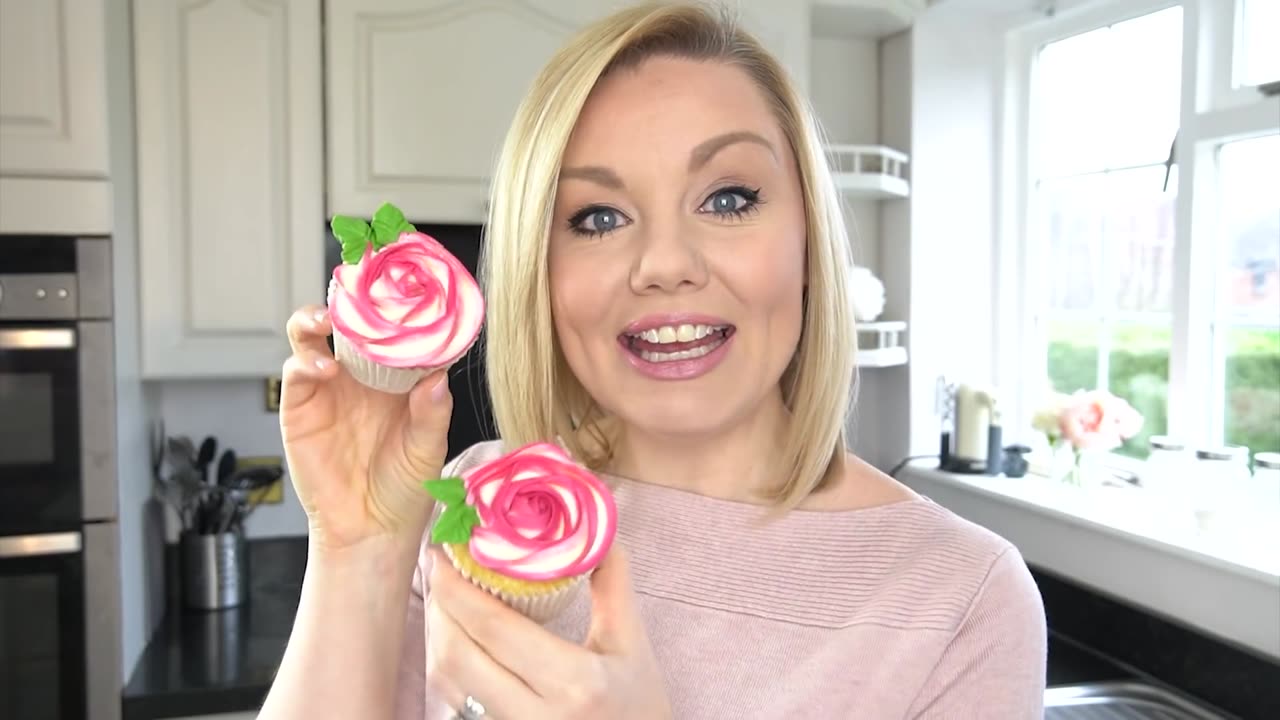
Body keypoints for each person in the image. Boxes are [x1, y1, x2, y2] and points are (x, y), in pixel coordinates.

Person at [258, 2, 1048, 719]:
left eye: (728, 199)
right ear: (542, 270)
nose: (664, 264)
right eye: (599, 217)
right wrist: (357, 549)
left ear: (808, 242)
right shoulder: (479, 504)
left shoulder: (962, 600)